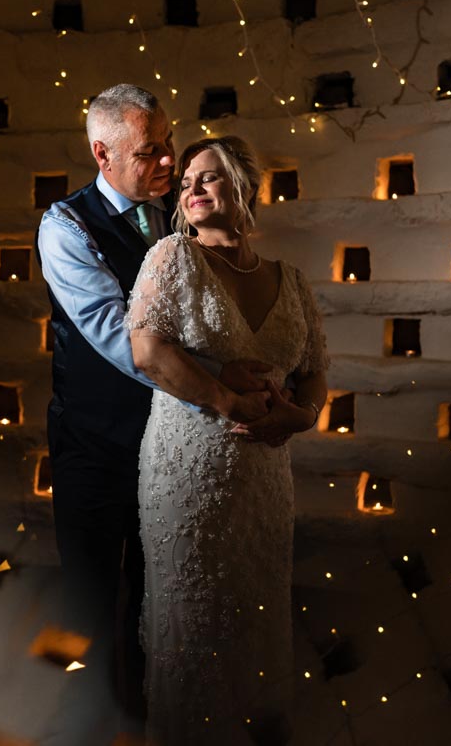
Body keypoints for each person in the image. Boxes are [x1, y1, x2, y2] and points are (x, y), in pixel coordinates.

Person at [37, 87, 274, 741]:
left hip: (170, 441)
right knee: (87, 591)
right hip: (92, 440)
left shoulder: (180, 209)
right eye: (150, 151)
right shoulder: (65, 226)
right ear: (101, 153)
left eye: (169, 142)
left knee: (159, 587)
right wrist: (220, 382)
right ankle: (79, 717)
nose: (168, 160)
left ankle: (147, 716)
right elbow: (121, 337)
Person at [126, 136, 330, 744]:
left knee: (256, 612)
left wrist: (304, 415)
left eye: (207, 178)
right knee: (197, 622)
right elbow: (147, 349)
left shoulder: (290, 281)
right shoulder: (172, 259)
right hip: (188, 467)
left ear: (245, 188)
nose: (190, 189)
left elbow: (315, 368)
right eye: (186, 180)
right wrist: (227, 400)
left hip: (265, 476)